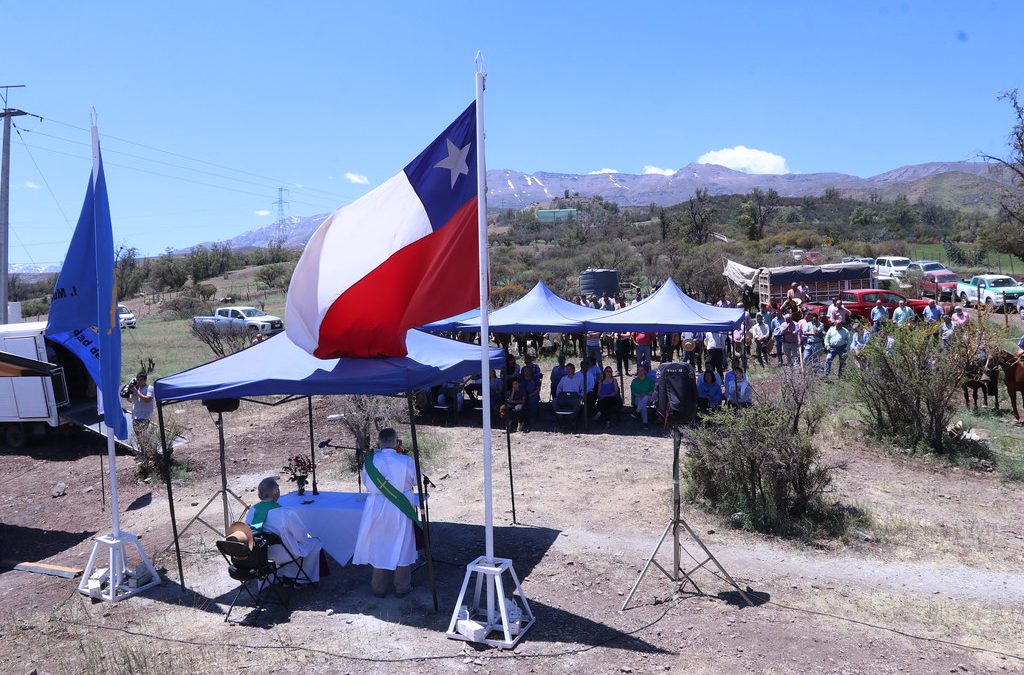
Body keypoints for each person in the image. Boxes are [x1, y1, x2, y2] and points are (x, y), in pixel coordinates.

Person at [353, 428, 419, 598]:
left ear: (379, 443)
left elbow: (367, 483)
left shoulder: (370, 462)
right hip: (400, 507)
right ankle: (402, 586)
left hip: (376, 507)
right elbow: (416, 480)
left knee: (380, 543)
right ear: (396, 443)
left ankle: (379, 587)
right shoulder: (406, 461)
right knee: (402, 543)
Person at [247, 477, 323, 583]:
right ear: (275, 494)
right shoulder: (284, 513)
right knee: (314, 542)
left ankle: (283, 578)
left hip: (261, 555)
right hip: (284, 554)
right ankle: (301, 580)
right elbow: (301, 536)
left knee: (291, 543)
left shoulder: (253, 510)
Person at [519, 367, 541, 431]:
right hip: (523, 395)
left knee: (533, 401)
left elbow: (537, 390)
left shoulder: (535, 379)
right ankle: (521, 421)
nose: (527, 372)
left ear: (531, 371)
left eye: (528, 370)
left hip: (533, 395)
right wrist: (524, 396)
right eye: (525, 371)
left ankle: (532, 419)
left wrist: (529, 395)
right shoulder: (521, 379)